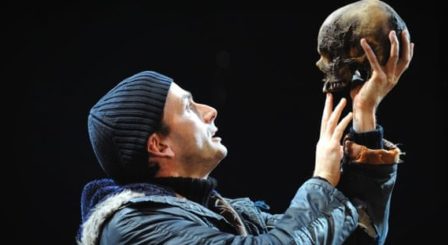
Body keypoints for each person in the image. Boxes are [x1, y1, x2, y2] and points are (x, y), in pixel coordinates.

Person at [77, 29, 413, 244]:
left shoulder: (231, 215)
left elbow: (358, 236)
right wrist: (322, 179)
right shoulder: (131, 227)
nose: (210, 111)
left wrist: (365, 116)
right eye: (189, 107)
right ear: (158, 145)